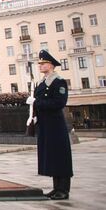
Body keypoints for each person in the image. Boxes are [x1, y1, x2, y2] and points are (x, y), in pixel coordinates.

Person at [27, 50, 73, 200]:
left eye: (43, 63)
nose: (40, 66)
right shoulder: (41, 83)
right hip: (45, 124)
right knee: (52, 156)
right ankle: (56, 188)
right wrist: (33, 116)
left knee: (61, 156)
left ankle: (64, 190)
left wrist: (37, 102)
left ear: (51, 65)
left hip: (55, 124)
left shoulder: (58, 82)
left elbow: (59, 103)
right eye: (40, 64)